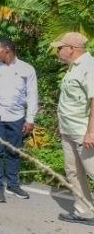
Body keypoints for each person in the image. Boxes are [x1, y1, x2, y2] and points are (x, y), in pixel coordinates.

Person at [0, 37, 38, 203]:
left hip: (17, 117)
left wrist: (30, 119)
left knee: (14, 152)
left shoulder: (27, 69)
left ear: (7, 49)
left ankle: (12, 184)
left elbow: (32, 95)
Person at [51, 32, 94, 224]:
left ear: (72, 49)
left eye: (60, 48)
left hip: (82, 132)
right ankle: (85, 211)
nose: (58, 51)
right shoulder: (73, 68)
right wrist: (60, 125)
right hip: (69, 130)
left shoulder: (88, 67)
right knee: (74, 172)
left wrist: (91, 132)